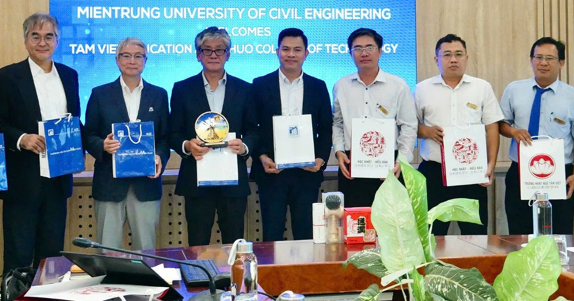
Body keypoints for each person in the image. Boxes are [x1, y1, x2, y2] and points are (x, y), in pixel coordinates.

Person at [0, 13, 81, 273]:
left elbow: (75, 121)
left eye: (49, 37)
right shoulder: (7, 77)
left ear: (57, 41)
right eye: (36, 36)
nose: (42, 42)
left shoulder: (70, 75)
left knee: (51, 258)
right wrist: (22, 139)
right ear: (25, 41)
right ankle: (16, 296)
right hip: (23, 181)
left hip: (58, 180)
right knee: (18, 257)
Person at [168, 27, 259, 246]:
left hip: (232, 179)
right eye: (206, 50)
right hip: (196, 179)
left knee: (234, 243)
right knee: (198, 244)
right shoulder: (182, 89)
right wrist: (187, 145)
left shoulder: (245, 89)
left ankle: (234, 271)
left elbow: (254, 131)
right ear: (198, 55)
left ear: (228, 54)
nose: (213, 55)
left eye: (220, 49)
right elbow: (172, 132)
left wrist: (245, 146)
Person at [499, 37, 574, 235]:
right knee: (519, 232)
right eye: (538, 57)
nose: (543, 63)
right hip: (520, 171)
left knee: (558, 232)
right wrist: (514, 131)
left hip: (559, 174)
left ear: (561, 63)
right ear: (531, 60)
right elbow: (501, 124)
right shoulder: (514, 90)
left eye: (550, 58)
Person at [82, 37, 170, 250]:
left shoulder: (159, 94)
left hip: (146, 184)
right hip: (109, 183)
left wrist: (159, 156)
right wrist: (102, 145)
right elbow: (88, 134)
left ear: (145, 61)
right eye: (126, 56)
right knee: (107, 250)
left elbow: (165, 137)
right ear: (117, 60)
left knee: (147, 250)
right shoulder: (100, 94)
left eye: (138, 56)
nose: (132, 61)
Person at [414, 33, 502, 235]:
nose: (453, 59)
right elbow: (410, 127)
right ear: (436, 59)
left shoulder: (482, 87)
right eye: (447, 55)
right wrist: (427, 131)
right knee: (432, 236)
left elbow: (492, 127)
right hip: (434, 172)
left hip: (472, 172)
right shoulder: (422, 89)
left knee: (476, 237)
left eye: (458, 54)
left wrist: (490, 164)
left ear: (466, 58)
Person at [251, 28, 333, 241]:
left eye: (297, 50)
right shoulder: (259, 85)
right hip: (271, 171)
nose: (291, 54)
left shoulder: (318, 86)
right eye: (285, 49)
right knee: (272, 234)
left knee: (306, 234)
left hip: (307, 173)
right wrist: (262, 157)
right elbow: (252, 127)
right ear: (277, 51)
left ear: (306, 53)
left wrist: (321, 159)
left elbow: (326, 128)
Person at [332, 28, 418, 208]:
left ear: (380, 51)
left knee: (389, 221)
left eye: (370, 47)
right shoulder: (341, 86)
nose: (364, 53)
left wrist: (401, 161)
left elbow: (409, 126)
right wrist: (339, 150)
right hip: (352, 163)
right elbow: (337, 123)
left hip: (389, 164)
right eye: (357, 48)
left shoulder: (398, 86)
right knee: (356, 220)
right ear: (350, 53)